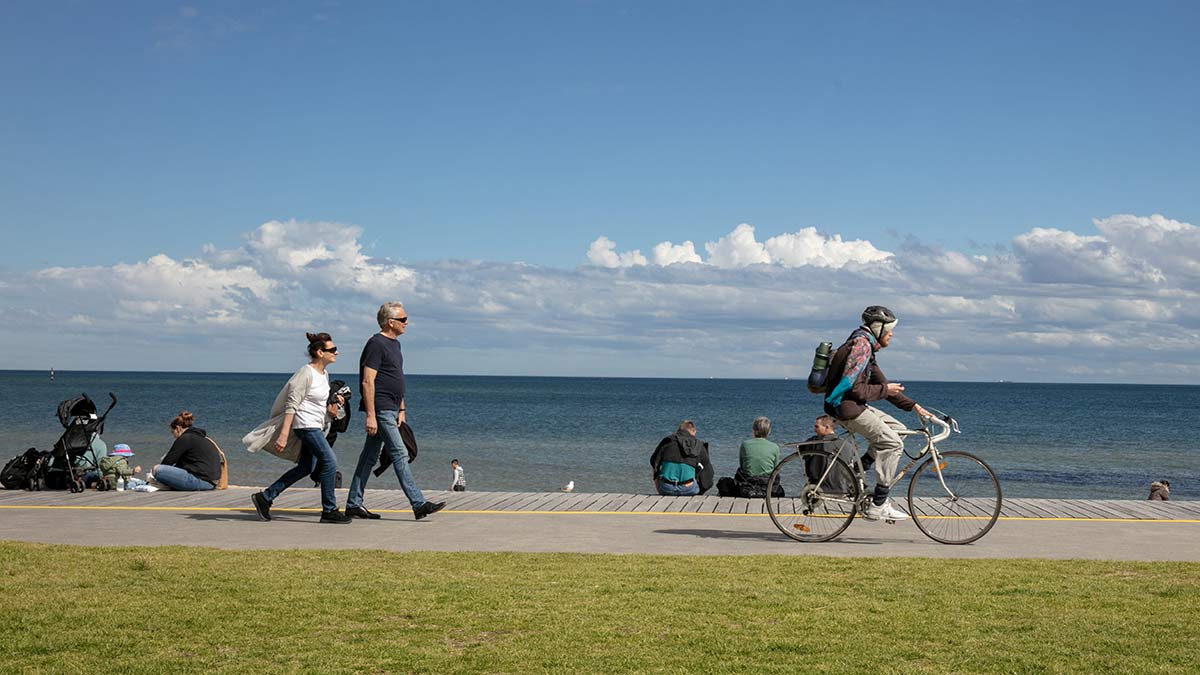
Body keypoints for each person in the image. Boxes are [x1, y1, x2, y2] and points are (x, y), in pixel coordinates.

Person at [823, 306, 931, 521]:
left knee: (900, 431)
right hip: (847, 408)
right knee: (893, 444)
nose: (891, 334)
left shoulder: (866, 347)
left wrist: (914, 406)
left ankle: (857, 467)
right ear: (877, 328)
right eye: (889, 330)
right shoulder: (861, 347)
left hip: (855, 405)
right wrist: (885, 390)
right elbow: (855, 389)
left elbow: (882, 384)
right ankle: (878, 504)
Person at [345, 302, 445, 521]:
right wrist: (371, 414)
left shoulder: (395, 345)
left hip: (392, 408)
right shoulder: (376, 344)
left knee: (368, 458)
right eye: (403, 319)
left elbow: (396, 377)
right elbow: (367, 381)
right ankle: (418, 504)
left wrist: (402, 408)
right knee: (400, 453)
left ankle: (353, 503)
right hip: (380, 408)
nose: (407, 323)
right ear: (391, 322)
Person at [250, 333, 351, 524]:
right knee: (329, 462)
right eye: (332, 350)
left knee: (306, 467)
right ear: (320, 352)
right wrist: (283, 434)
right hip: (305, 426)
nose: (336, 352)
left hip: (317, 426)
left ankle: (265, 497)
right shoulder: (305, 373)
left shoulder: (323, 374)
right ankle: (329, 510)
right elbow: (292, 404)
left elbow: (318, 402)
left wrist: (335, 402)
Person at [153, 411, 223, 491]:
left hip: (200, 481)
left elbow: (166, 463)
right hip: (212, 482)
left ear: (178, 428)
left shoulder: (184, 438)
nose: (173, 436)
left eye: (173, 432)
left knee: (157, 470)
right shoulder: (203, 437)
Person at [650, 420, 713, 496]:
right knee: (702, 469)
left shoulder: (667, 441)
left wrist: (658, 484)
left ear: (678, 430)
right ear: (694, 431)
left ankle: (662, 488)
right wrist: (702, 490)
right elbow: (708, 473)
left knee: (656, 463)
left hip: (666, 489)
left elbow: (653, 461)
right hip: (689, 489)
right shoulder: (698, 445)